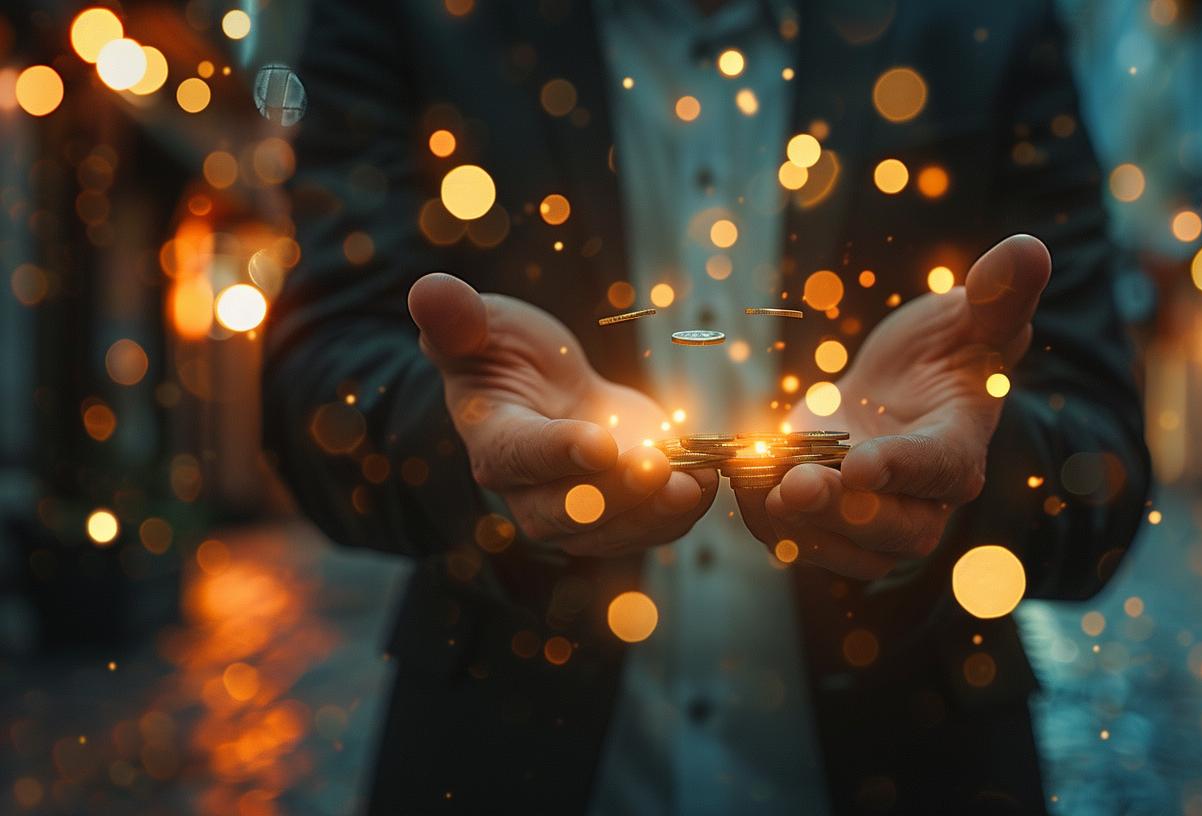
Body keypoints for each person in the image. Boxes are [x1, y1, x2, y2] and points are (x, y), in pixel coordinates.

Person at [263, 0, 1149, 812]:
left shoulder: (989, 16)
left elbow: (1099, 473)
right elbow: (318, 389)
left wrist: (965, 457)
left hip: (921, 772)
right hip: (498, 767)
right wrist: (475, 443)